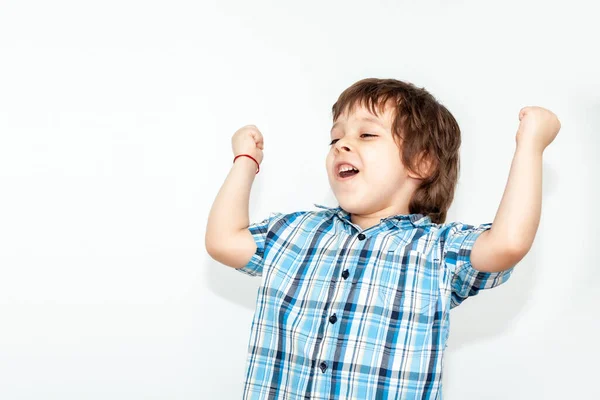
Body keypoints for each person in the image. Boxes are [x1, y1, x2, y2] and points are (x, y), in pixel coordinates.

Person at [205, 78, 561, 399]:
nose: (342, 145)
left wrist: (530, 146)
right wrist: (246, 160)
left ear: (421, 163)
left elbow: (508, 243)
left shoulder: (439, 251)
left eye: (366, 135)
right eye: (336, 137)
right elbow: (223, 240)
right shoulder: (295, 233)